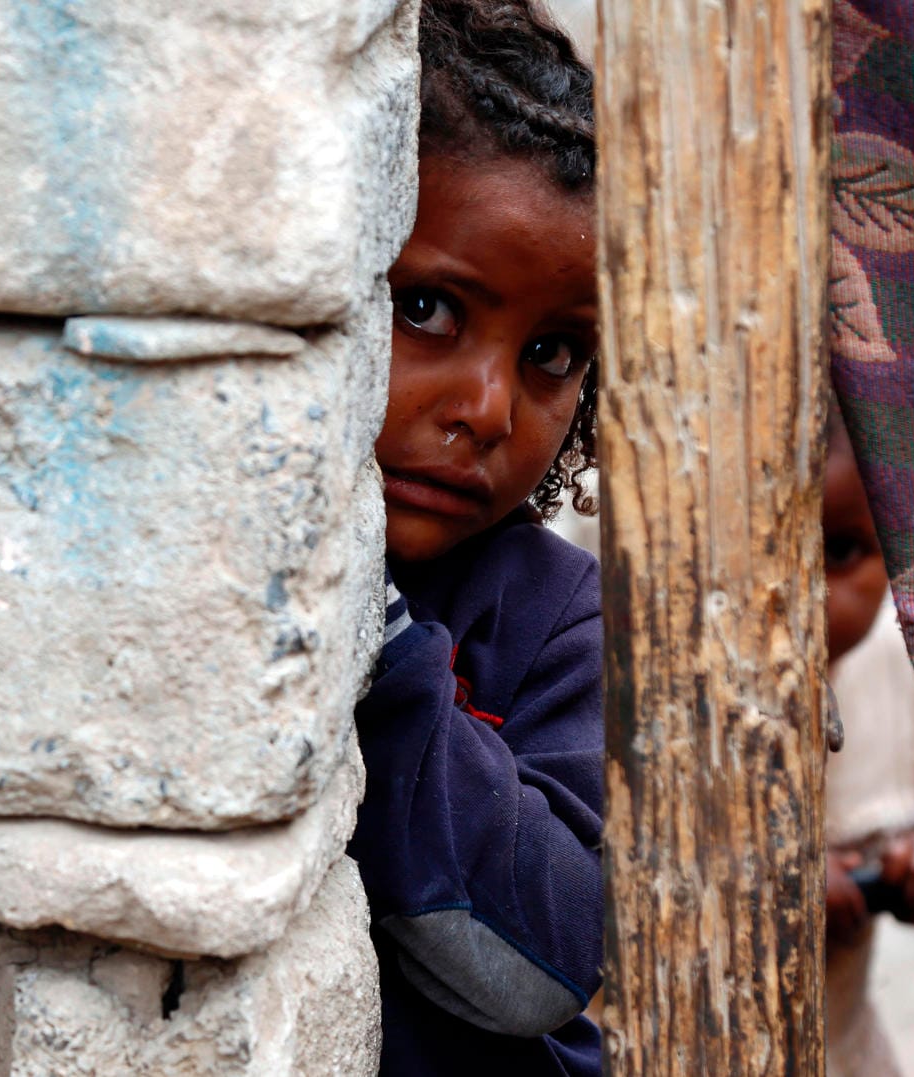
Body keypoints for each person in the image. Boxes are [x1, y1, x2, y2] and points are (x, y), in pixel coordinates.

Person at [343, 2, 603, 1074]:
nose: (490, 410)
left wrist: (386, 645)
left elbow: (534, 968)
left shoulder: (552, 618)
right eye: (430, 310)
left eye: (551, 350)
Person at [821, 411, 914, 1077]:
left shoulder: (895, 663)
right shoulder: (629, 690)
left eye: (839, 553)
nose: (800, 596)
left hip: (841, 1050)